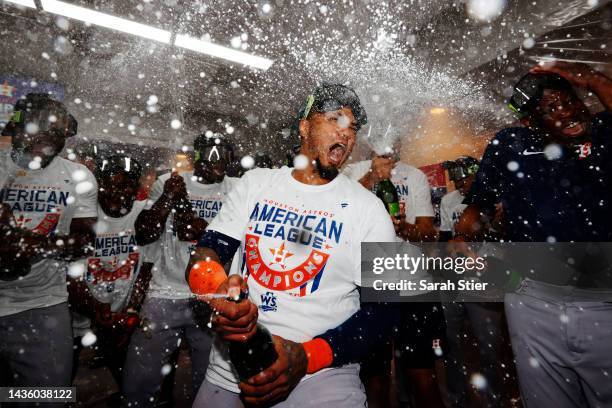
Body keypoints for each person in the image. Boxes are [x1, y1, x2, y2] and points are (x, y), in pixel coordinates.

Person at [187, 83, 398, 407]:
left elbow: (385, 312)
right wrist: (218, 291)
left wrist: (307, 356)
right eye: (335, 120)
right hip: (230, 372)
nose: (346, 135)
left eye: (353, 128)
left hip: (324, 377)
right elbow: (208, 250)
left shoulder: (369, 209)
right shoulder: (257, 183)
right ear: (303, 126)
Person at [455, 62, 612, 408]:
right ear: (531, 122)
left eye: (569, 100)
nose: (568, 111)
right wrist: (463, 236)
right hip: (532, 302)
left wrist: (590, 78)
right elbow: (478, 207)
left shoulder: (603, 133)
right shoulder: (512, 144)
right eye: (551, 108)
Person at [122, 135, 237, 406]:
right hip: (165, 292)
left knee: (209, 383)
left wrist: (204, 229)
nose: (217, 160)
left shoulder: (237, 188)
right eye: (210, 153)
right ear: (197, 156)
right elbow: (144, 233)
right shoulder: (169, 182)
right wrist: (168, 197)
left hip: (212, 296)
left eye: (225, 154)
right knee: (138, 384)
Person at [0, 93, 97, 389]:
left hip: (43, 304)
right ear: (17, 128)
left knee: (47, 395)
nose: (50, 135)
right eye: (40, 124)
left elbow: (84, 241)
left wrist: (34, 246)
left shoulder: (78, 176)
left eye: (58, 129)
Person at [344, 141, 444, 408]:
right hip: (371, 285)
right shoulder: (352, 172)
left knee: (421, 374)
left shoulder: (414, 175)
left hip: (414, 284)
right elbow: (342, 216)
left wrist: (401, 228)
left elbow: (427, 233)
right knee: (374, 378)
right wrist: (372, 178)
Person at [68, 155, 152, 405]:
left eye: (127, 185)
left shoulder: (142, 213)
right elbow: (69, 272)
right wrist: (96, 312)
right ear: (100, 185)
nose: (119, 191)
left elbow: (146, 268)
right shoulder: (83, 215)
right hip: (78, 311)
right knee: (58, 379)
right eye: (112, 184)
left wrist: (131, 310)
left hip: (119, 315)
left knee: (128, 377)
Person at [440, 156, 513, 408]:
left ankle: (495, 398)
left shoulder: (495, 200)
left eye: (465, 178)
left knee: (489, 345)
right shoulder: (448, 201)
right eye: (456, 180)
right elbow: (445, 239)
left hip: (485, 282)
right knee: (451, 342)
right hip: (455, 280)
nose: (460, 184)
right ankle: (457, 397)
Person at [343, 143, 437, 241]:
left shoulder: (416, 176)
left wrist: (402, 227)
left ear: (400, 143)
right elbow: (339, 211)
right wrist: (370, 177)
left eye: (393, 133)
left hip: (401, 254)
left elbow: (428, 236)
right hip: (361, 252)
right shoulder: (353, 170)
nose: (387, 140)